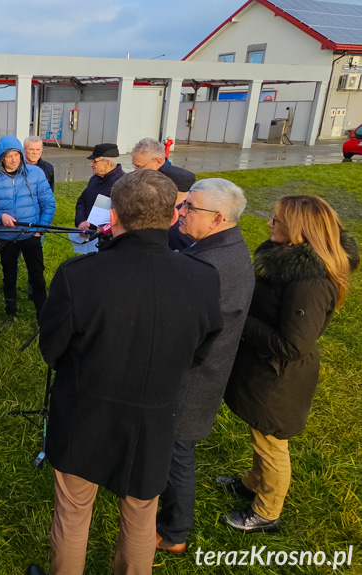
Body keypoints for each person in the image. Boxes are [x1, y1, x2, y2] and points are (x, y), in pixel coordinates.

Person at [39, 169, 223, 575]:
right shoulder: (203, 278)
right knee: (141, 514)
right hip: (153, 417)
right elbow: (202, 348)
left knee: (73, 513)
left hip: (84, 412)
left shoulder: (78, 275)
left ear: (115, 215)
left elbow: (51, 349)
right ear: (173, 216)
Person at [221, 195, 359, 533]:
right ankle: (254, 482)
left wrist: (241, 320)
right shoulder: (286, 262)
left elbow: (293, 345)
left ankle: (268, 512)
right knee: (260, 434)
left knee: (271, 444)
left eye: (277, 221)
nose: (269, 223)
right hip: (264, 370)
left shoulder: (309, 282)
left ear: (300, 231)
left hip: (278, 378)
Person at [155, 179, 255, 554]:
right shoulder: (224, 246)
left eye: (188, 208)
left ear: (216, 218)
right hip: (201, 370)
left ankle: (174, 532)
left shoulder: (212, 265)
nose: (180, 213)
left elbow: (193, 333)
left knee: (177, 451)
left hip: (194, 377)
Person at [0, 135, 56, 331]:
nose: (14, 159)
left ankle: (43, 316)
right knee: (9, 277)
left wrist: (40, 229)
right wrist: (0, 217)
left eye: (17, 155)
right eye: (9, 156)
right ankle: (10, 313)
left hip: (31, 235)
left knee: (37, 277)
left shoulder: (36, 174)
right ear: (1, 158)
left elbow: (49, 203)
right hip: (6, 238)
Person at [74, 143, 125, 229]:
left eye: (95, 161)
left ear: (107, 163)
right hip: (87, 234)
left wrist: (91, 227)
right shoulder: (94, 179)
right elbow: (82, 201)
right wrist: (81, 221)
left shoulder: (124, 184)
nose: (91, 165)